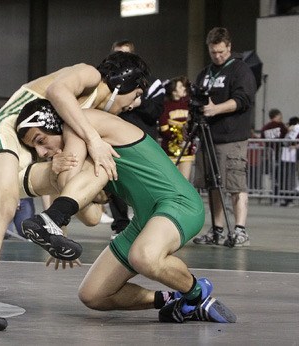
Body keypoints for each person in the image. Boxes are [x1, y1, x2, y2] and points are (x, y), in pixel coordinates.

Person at [0, 51, 150, 330]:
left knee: (90, 211)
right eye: (134, 96)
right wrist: (94, 140)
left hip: (30, 155)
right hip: (4, 133)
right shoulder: (90, 76)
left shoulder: (84, 117)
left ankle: (51, 224)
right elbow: (57, 90)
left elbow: (64, 179)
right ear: (125, 83)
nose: (132, 105)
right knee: (5, 205)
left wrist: (60, 229)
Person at [17, 99, 236, 326]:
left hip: (179, 203)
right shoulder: (87, 155)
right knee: (93, 294)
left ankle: (197, 293)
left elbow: (67, 180)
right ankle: (176, 297)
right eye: (35, 149)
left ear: (54, 124)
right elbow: (91, 217)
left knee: (144, 257)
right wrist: (57, 235)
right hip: (146, 219)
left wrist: (55, 179)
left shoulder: (81, 124)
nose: (42, 152)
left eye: (41, 141)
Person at [191, 27, 257, 247]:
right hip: (208, 137)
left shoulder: (240, 70)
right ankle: (217, 229)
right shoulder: (205, 73)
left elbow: (243, 99)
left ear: (229, 46)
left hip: (232, 137)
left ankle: (240, 230)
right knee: (213, 185)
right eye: (213, 52)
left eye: (221, 52)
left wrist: (215, 109)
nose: (217, 56)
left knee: (235, 184)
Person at [108, 39, 165, 239]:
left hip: (142, 143)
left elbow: (155, 112)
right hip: (113, 142)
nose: (120, 59)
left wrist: (136, 102)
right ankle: (120, 226)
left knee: (145, 186)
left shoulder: (154, 83)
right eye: (116, 55)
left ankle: (149, 225)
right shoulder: (106, 83)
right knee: (115, 181)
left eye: (125, 54)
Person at [159, 76, 195, 180]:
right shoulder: (166, 106)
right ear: (173, 91)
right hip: (170, 150)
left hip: (187, 149)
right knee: (171, 181)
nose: (184, 89)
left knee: (185, 181)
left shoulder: (189, 104)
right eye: (180, 87)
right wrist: (176, 139)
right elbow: (163, 128)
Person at [260, 109, 288, 203]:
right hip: (280, 154)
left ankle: (274, 197)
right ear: (277, 116)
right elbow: (286, 136)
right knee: (281, 176)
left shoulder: (265, 128)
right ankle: (280, 197)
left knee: (273, 176)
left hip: (269, 154)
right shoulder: (280, 126)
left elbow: (262, 139)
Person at [279, 116, 299, 207]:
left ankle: (290, 198)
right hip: (290, 157)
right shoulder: (291, 131)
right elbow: (286, 142)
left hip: (292, 157)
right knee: (288, 178)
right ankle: (288, 198)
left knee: (290, 178)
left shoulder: (295, 129)